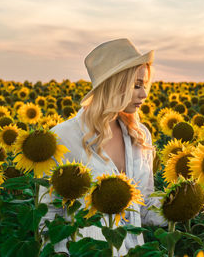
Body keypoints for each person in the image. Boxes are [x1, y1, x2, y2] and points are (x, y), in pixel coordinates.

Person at [39, 38, 166, 256]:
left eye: (144, 85)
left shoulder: (140, 136)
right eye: (136, 85)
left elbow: (144, 209)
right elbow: (49, 216)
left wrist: (191, 200)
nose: (144, 95)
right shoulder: (63, 138)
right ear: (114, 84)